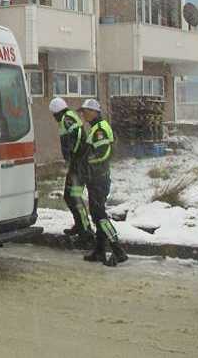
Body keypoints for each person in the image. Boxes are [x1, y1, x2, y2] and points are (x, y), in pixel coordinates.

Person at [78, 98, 128, 267]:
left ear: (94, 112)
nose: (83, 114)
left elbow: (102, 153)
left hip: (98, 178)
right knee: (96, 214)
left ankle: (118, 250)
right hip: (96, 178)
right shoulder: (96, 128)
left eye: (85, 111)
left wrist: (86, 163)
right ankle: (99, 251)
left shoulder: (100, 129)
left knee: (100, 216)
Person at [49, 97, 94, 247]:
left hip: (79, 163)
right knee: (71, 196)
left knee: (72, 196)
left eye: (53, 114)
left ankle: (85, 231)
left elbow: (79, 134)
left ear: (56, 112)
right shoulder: (68, 117)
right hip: (78, 162)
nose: (54, 118)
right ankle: (81, 225)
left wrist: (73, 153)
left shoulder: (67, 118)